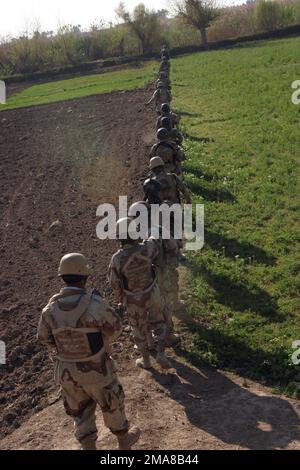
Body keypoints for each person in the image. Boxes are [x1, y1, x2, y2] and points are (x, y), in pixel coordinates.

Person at [37, 253, 140, 451]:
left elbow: (44, 339)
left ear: (62, 278)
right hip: (97, 370)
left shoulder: (48, 310)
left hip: (67, 373)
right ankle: (123, 443)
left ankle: (89, 447)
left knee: (80, 414)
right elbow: (116, 329)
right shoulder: (95, 304)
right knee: (112, 403)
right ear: (85, 277)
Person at [108, 218, 172, 370]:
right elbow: (156, 241)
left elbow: (114, 282)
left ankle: (146, 360)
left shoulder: (117, 259)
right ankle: (161, 353)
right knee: (159, 323)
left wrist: (120, 298)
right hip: (152, 292)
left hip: (133, 299)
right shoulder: (147, 248)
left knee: (138, 329)